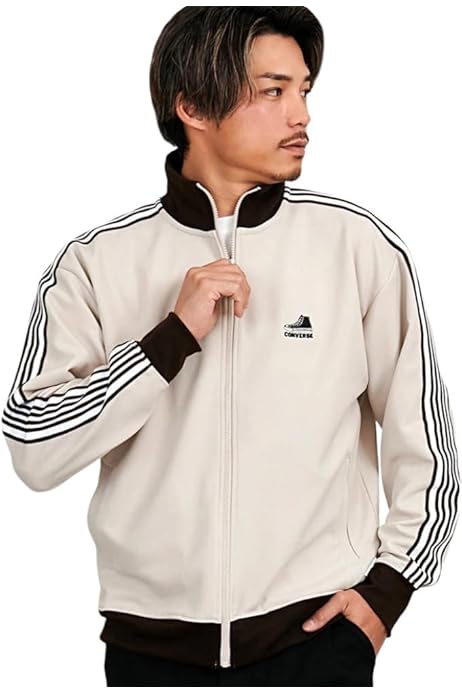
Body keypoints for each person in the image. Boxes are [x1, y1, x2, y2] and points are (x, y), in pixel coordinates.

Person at [2, 6, 459, 687]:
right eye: (273, 91)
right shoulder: (96, 263)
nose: (302, 115)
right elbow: (34, 447)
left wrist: (387, 594)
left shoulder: (357, 248)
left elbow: (429, 444)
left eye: (304, 90)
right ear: (191, 105)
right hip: (148, 652)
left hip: (317, 640)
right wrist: (168, 339)